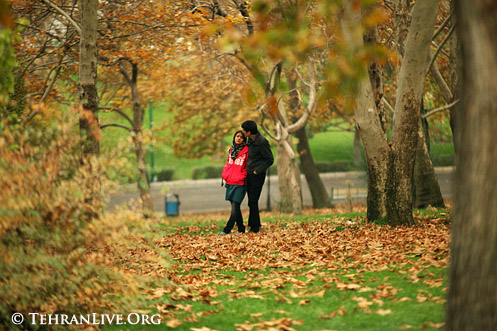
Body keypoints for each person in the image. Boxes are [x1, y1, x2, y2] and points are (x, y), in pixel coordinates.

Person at [241, 120, 274, 233]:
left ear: (249, 132)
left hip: (257, 175)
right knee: (251, 200)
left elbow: (269, 159)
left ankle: (255, 227)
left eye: (243, 130)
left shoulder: (262, 141)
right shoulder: (249, 141)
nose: (242, 132)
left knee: (253, 201)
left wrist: (257, 170)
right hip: (248, 175)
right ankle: (254, 224)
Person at [219, 130, 249, 235]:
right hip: (230, 181)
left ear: (244, 140)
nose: (239, 138)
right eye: (237, 136)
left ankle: (227, 229)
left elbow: (247, 166)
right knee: (235, 206)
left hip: (240, 182)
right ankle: (241, 228)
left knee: (235, 206)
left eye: (241, 137)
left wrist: (243, 175)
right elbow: (229, 163)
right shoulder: (231, 150)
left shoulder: (247, 151)